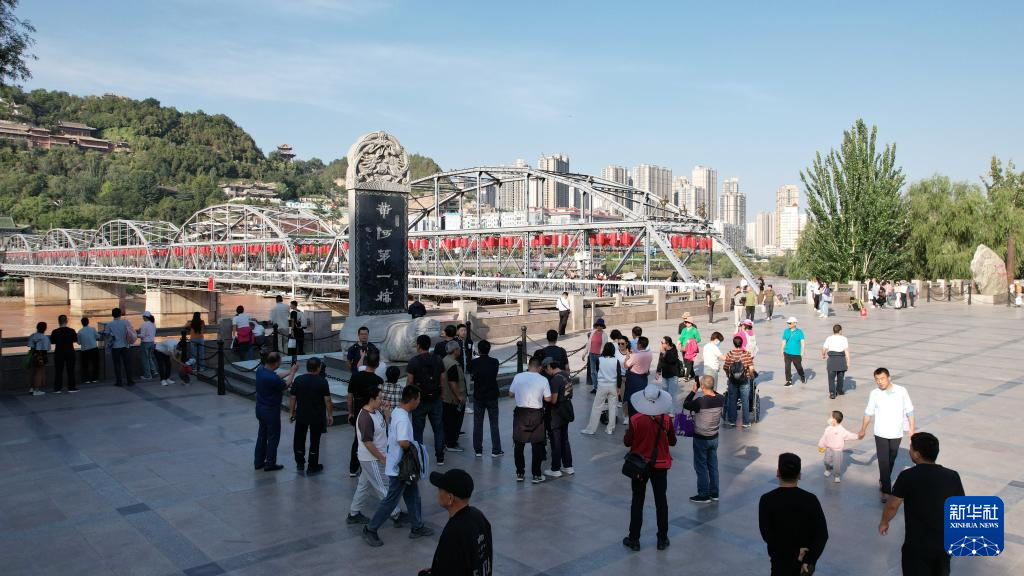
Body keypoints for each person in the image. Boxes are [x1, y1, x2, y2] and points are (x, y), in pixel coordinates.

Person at [880, 432, 965, 576]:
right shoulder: (952, 475)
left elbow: (893, 505)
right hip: (943, 544)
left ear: (917, 454)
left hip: (917, 545)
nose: (910, 451)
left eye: (911, 448)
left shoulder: (907, 476)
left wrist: (884, 522)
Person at [363, 384, 435, 547]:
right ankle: (370, 529)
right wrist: (414, 447)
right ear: (413, 399)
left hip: (402, 466)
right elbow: (403, 442)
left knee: (413, 496)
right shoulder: (403, 418)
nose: (419, 402)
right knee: (390, 501)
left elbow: (392, 426)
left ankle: (417, 526)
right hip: (400, 468)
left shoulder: (397, 411)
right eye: (419, 399)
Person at [622, 384, 676, 551]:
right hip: (660, 465)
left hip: (640, 466)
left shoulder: (635, 419)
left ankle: (634, 539)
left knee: (637, 501)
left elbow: (627, 442)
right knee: (661, 501)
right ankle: (662, 538)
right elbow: (673, 441)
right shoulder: (666, 419)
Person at [758, 453, 829, 576]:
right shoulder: (811, 500)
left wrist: (794, 551)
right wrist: (809, 560)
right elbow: (822, 535)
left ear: (778, 473)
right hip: (803, 567)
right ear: (799, 475)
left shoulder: (767, 499)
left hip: (779, 564)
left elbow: (767, 535)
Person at [348, 384, 405, 527]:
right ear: (371, 399)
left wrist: (386, 413)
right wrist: (381, 458)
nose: (382, 400)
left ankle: (353, 513)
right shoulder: (365, 418)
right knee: (383, 487)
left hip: (374, 457)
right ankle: (396, 514)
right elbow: (368, 443)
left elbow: (385, 428)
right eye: (380, 397)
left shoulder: (376, 412)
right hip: (371, 459)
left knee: (363, 486)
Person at [857, 367, 915, 502]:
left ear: (889, 378)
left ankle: (883, 479)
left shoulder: (901, 391)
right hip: (880, 433)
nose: (880, 382)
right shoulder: (874, 393)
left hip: (896, 432)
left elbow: (910, 411)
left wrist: (912, 429)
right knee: (883, 461)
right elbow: (868, 413)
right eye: (877, 379)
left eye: (882, 378)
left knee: (891, 458)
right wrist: (863, 429)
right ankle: (886, 491)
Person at [420, 469, 493, 576]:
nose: (438, 493)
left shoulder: (453, 533)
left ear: (450, 498)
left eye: (440, 489)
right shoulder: (478, 516)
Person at [508, 356, 551, 483]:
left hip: (521, 413)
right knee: (537, 445)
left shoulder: (518, 377)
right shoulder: (543, 379)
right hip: (537, 414)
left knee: (518, 444)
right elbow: (548, 398)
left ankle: (520, 473)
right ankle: (536, 475)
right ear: (539, 367)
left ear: (529, 365)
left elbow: (510, 394)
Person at [407, 334, 448, 466]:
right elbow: (442, 378)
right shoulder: (438, 359)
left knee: (418, 430)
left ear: (418, 346)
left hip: (419, 400)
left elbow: (410, 381)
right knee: (438, 428)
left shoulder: (414, 361)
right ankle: (440, 456)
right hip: (435, 398)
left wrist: (409, 398)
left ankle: (419, 456)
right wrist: (442, 393)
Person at [683, 375, 725, 503]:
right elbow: (714, 393)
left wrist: (693, 391)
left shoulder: (700, 401)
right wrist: (708, 387)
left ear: (702, 386)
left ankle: (703, 494)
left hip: (701, 438)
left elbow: (686, 404)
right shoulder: (721, 398)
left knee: (701, 467)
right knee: (713, 466)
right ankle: (714, 493)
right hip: (714, 437)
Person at [254, 352, 298, 471]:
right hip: (271, 410)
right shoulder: (271, 378)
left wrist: (289, 371)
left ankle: (258, 462)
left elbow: (277, 376)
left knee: (262, 435)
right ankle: (270, 463)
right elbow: (286, 385)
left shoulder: (261, 370)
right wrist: (293, 372)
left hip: (260, 408)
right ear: (276, 363)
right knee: (273, 437)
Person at [289, 357, 332, 473]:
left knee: (299, 438)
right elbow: (327, 400)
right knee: (315, 440)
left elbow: (292, 397)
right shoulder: (322, 382)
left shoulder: (298, 379)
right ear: (318, 368)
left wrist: (291, 412)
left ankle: (300, 463)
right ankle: (312, 465)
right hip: (317, 416)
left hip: (301, 414)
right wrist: (330, 415)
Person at [349, 350, 385, 477]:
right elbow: (380, 398)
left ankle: (353, 467)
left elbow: (349, 396)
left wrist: (350, 412)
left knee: (357, 438)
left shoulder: (355, 376)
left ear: (365, 362)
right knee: (371, 437)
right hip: (372, 410)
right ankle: (366, 465)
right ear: (377, 365)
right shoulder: (378, 380)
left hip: (358, 408)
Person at [469, 339, 502, 458]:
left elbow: (472, 375)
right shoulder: (495, 362)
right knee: (494, 423)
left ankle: (478, 449)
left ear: (479, 350)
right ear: (489, 349)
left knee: (478, 423)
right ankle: (496, 450)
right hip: (492, 394)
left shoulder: (474, 363)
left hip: (479, 395)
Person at [581, 342, 622, 435]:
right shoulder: (616, 361)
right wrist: (619, 387)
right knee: (612, 407)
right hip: (613, 386)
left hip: (602, 386)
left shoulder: (599, 360)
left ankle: (591, 429)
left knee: (597, 407)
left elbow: (597, 370)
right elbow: (619, 375)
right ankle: (610, 429)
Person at [542, 357, 574, 478]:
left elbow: (553, 400)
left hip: (556, 413)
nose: (546, 372)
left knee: (555, 441)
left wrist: (546, 399)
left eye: (546, 370)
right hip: (566, 409)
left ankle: (555, 468)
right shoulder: (566, 374)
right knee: (564, 439)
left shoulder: (555, 379)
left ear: (549, 366)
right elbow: (569, 392)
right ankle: (568, 466)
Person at [441, 340, 468, 453]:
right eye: (459, 349)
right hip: (453, 399)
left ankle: (447, 441)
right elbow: (452, 382)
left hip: (446, 398)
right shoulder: (453, 364)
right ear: (455, 350)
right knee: (454, 422)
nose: (460, 350)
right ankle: (451, 443)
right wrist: (459, 396)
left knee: (448, 422)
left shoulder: (445, 360)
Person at [723, 335, 755, 428]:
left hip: (733, 380)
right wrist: (750, 375)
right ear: (742, 343)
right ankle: (746, 422)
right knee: (745, 401)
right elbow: (751, 368)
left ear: (734, 343)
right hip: (744, 380)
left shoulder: (730, 354)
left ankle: (732, 421)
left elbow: (725, 367)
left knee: (732, 400)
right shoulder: (746, 354)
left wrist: (728, 375)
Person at [102, 308, 136, 387]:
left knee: (117, 365)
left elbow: (106, 335)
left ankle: (119, 382)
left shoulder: (109, 324)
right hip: (125, 346)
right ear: (120, 314)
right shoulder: (125, 322)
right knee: (127, 364)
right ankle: (130, 381)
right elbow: (131, 331)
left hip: (115, 347)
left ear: (112, 315)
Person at [623, 336, 653, 418]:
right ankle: (640, 418)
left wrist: (627, 358)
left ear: (639, 345)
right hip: (643, 379)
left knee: (632, 400)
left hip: (634, 379)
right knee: (641, 399)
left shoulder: (636, 356)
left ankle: (633, 420)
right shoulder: (649, 354)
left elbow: (626, 365)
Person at [821, 324, 851, 399]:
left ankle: (832, 393)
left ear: (833, 331)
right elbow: (846, 351)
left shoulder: (829, 338)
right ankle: (839, 390)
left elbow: (824, 348)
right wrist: (848, 361)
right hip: (841, 359)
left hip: (832, 360)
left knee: (831, 378)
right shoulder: (844, 339)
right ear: (840, 331)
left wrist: (823, 354)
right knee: (840, 377)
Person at [50, 315, 78, 394]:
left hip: (59, 353)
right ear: (66, 321)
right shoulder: (71, 330)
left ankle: (57, 388)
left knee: (58, 371)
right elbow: (75, 339)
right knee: (71, 370)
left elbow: (52, 341)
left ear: (58, 322)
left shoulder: (55, 331)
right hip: (70, 352)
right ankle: (71, 387)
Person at [781, 317, 806, 387]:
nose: (788, 324)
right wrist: (782, 350)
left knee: (798, 367)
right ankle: (788, 381)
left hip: (796, 354)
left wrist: (802, 352)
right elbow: (784, 341)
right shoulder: (786, 331)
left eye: (790, 323)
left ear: (795, 323)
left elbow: (802, 342)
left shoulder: (799, 332)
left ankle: (802, 375)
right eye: (788, 323)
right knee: (787, 367)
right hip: (787, 352)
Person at [26, 322, 50, 396]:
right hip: (41, 356)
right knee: (39, 373)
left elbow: (29, 345)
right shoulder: (45, 338)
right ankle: (36, 390)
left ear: (37, 328)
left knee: (33, 372)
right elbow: (47, 348)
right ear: (45, 329)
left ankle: (31, 388)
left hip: (33, 355)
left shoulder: (32, 336)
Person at [455, 324, 474, 414]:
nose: (464, 332)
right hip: (459, 368)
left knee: (467, 388)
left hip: (467, 368)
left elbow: (472, 354)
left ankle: (466, 405)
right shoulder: (455, 342)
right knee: (460, 387)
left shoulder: (469, 341)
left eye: (465, 330)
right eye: (462, 330)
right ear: (457, 332)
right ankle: (460, 405)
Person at [655, 336, 680, 401]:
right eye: (661, 342)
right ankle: (665, 407)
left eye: (662, 343)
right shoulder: (663, 350)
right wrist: (658, 371)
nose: (661, 344)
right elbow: (660, 361)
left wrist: (664, 353)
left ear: (667, 344)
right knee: (664, 394)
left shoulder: (674, 350)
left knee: (672, 395)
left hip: (673, 376)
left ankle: (672, 408)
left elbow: (671, 360)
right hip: (665, 375)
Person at [586, 318, 607, 392]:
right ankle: (595, 387)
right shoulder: (593, 333)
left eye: (601, 325)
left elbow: (605, 346)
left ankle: (600, 387)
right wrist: (585, 353)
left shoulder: (604, 335)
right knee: (593, 372)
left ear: (603, 326)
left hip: (600, 355)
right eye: (598, 325)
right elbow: (588, 343)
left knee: (600, 372)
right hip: (591, 354)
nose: (599, 327)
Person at [78, 317, 99, 384]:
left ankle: (86, 379)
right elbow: (97, 337)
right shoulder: (93, 329)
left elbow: (79, 342)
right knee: (95, 364)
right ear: (88, 322)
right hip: (94, 348)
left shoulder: (80, 332)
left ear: (82, 323)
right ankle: (94, 378)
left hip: (85, 350)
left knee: (85, 365)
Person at [137, 311, 157, 380]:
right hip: (152, 343)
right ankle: (154, 371)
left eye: (143, 316)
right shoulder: (153, 324)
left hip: (145, 343)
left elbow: (142, 335)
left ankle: (148, 375)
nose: (142, 317)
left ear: (145, 317)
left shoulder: (144, 324)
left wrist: (136, 335)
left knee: (145, 359)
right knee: (149, 357)